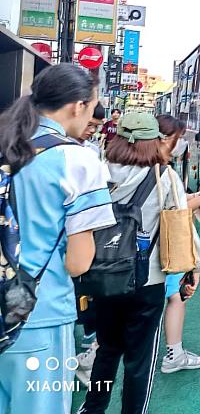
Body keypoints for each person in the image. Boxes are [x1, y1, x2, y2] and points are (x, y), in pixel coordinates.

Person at [0, 65, 116, 414]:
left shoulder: (8, 143)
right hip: (37, 313)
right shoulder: (78, 159)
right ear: (78, 105)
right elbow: (77, 262)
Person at [77, 113, 200, 414]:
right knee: (139, 359)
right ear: (153, 140)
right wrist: (193, 268)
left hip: (102, 277)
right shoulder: (165, 176)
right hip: (146, 280)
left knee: (107, 350)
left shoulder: (98, 170)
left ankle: (92, 408)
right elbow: (180, 225)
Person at [156, 114, 200, 374]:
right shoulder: (164, 172)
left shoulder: (125, 164)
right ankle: (174, 356)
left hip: (147, 251)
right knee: (175, 299)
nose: (182, 144)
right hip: (165, 252)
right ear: (166, 139)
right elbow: (177, 211)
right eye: (179, 139)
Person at [73, 102, 111, 387]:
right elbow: (78, 260)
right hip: (51, 295)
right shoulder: (84, 160)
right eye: (91, 124)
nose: (91, 131)